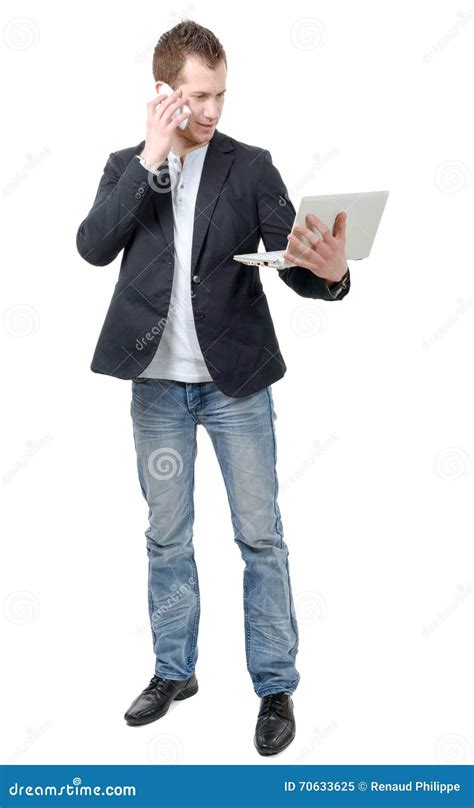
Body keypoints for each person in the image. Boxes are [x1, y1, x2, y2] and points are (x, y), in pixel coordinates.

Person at [76, 19, 350, 756]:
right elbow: (93, 246)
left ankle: (274, 687)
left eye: (221, 94)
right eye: (199, 96)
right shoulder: (126, 165)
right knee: (167, 537)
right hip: (157, 391)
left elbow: (292, 260)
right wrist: (150, 158)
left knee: (261, 537)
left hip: (237, 387)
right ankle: (174, 672)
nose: (213, 110)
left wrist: (330, 274)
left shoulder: (252, 165)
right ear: (164, 92)